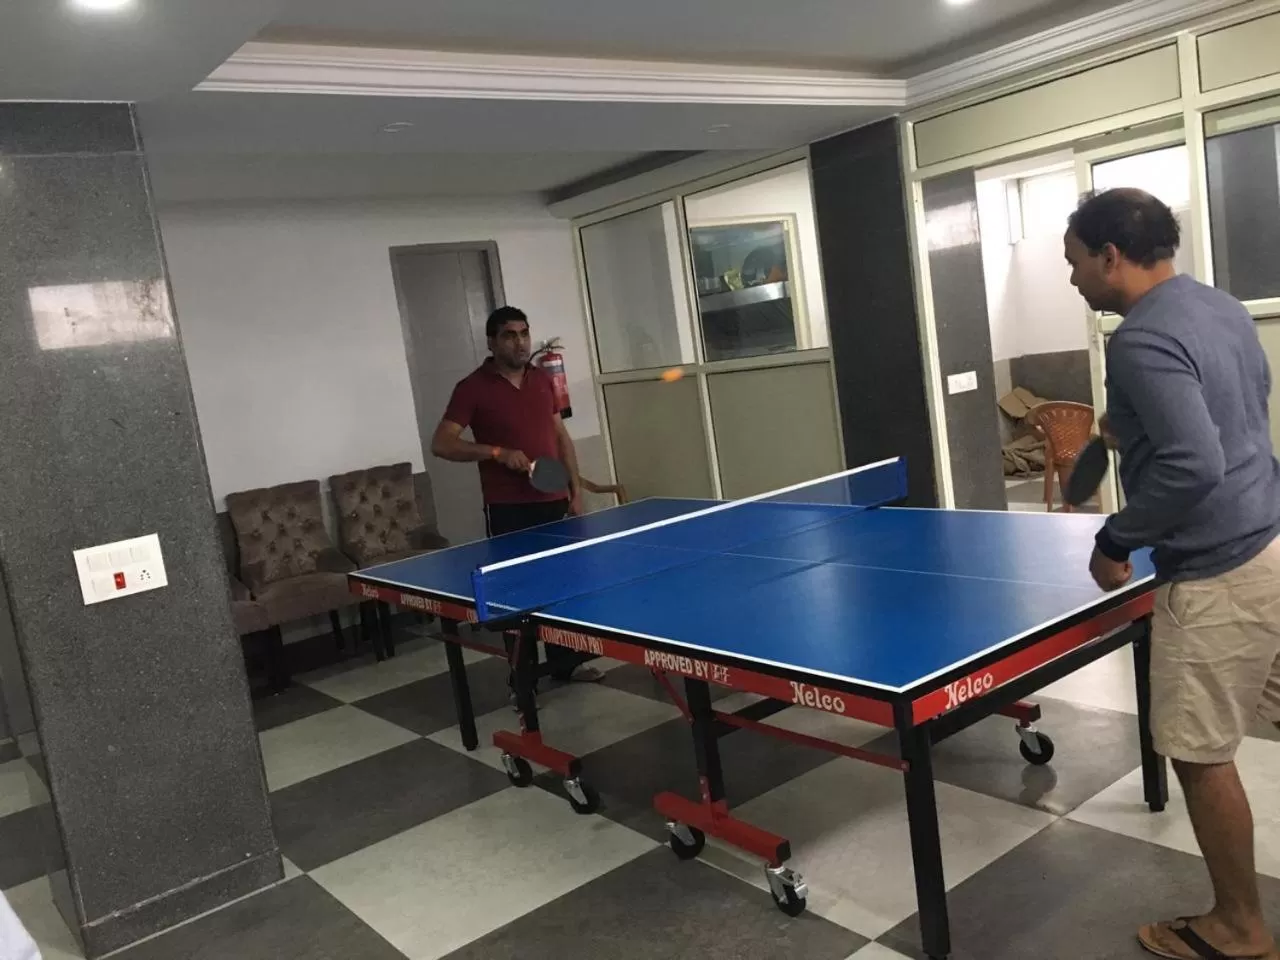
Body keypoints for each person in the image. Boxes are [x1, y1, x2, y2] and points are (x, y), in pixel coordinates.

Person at [1064, 187, 1280, 960]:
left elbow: (1195, 463)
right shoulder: (1219, 307)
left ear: (1110, 257)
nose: (1073, 279)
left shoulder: (1140, 341)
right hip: (1271, 540)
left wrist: (1117, 536)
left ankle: (1239, 928)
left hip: (1217, 569)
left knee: (1196, 750)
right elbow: (1244, 407)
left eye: (1076, 262)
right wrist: (1138, 431)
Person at [431, 305, 601, 685]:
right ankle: (520, 679)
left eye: (524, 333)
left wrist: (574, 488)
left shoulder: (542, 380)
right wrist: (495, 452)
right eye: (510, 335)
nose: (520, 341)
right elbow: (442, 444)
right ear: (492, 342)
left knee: (561, 589)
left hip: (553, 502)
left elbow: (559, 435)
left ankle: (565, 666)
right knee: (514, 596)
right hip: (508, 509)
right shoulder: (472, 388)